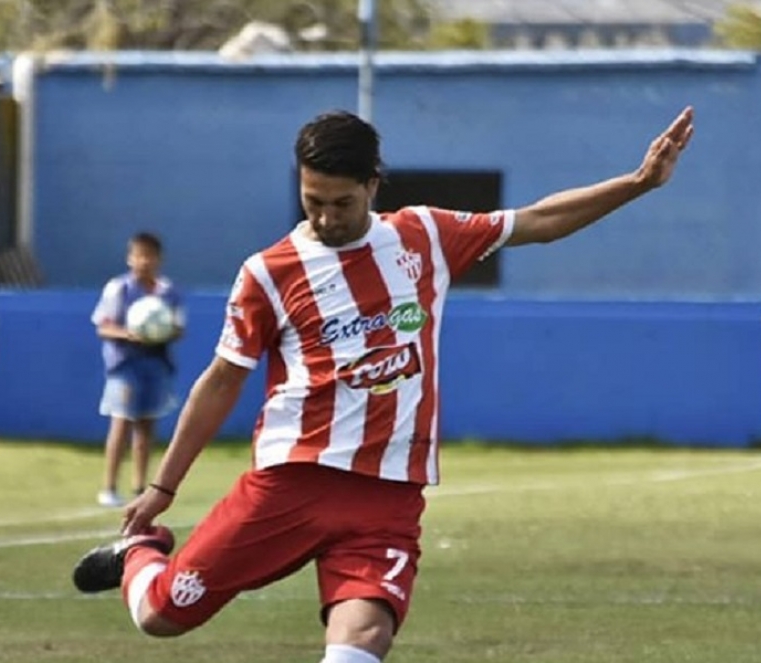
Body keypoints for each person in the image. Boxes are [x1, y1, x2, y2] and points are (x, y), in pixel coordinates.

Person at [72, 107, 695, 662]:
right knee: (159, 616)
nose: (325, 215)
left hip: (390, 494)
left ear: (374, 183)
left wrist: (637, 184)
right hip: (294, 482)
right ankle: (138, 555)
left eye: (341, 202)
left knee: (363, 641)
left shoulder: (424, 236)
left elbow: (537, 221)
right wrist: (162, 487)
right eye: (312, 199)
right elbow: (221, 381)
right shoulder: (268, 273)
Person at [91, 232, 184, 507]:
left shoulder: (169, 292)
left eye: (149, 256)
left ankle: (140, 487)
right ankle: (109, 487)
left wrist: (162, 333)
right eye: (138, 256)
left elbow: (179, 328)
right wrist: (127, 334)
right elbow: (103, 326)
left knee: (147, 425)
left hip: (155, 363)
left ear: (159, 259)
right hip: (125, 364)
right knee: (121, 422)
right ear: (129, 258)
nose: (143, 262)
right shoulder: (118, 288)